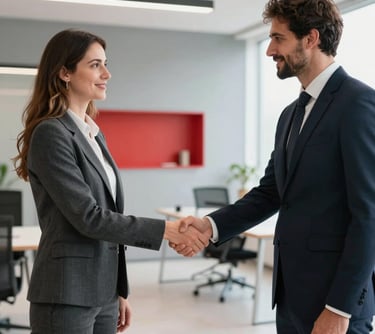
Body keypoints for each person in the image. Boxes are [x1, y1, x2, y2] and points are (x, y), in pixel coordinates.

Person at [174, 0, 375, 333]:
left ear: (310, 39)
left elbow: (369, 215)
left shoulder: (358, 105)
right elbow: (270, 193)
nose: (270, 50)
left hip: (334, 304)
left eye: (278, 38)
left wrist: (339, 308)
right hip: (290, 297)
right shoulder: (290, 115)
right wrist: (209, 226)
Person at [13, 28, 210, 334]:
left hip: (102, 292)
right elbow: (88, 217)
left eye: (105, 63)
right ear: (64, 72)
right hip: (66, 294)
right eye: (95, 65)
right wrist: (167, 230)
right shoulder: (51, 133)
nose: (107, 73)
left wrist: (117, 290)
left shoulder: (93, 133)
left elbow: (110, 215)